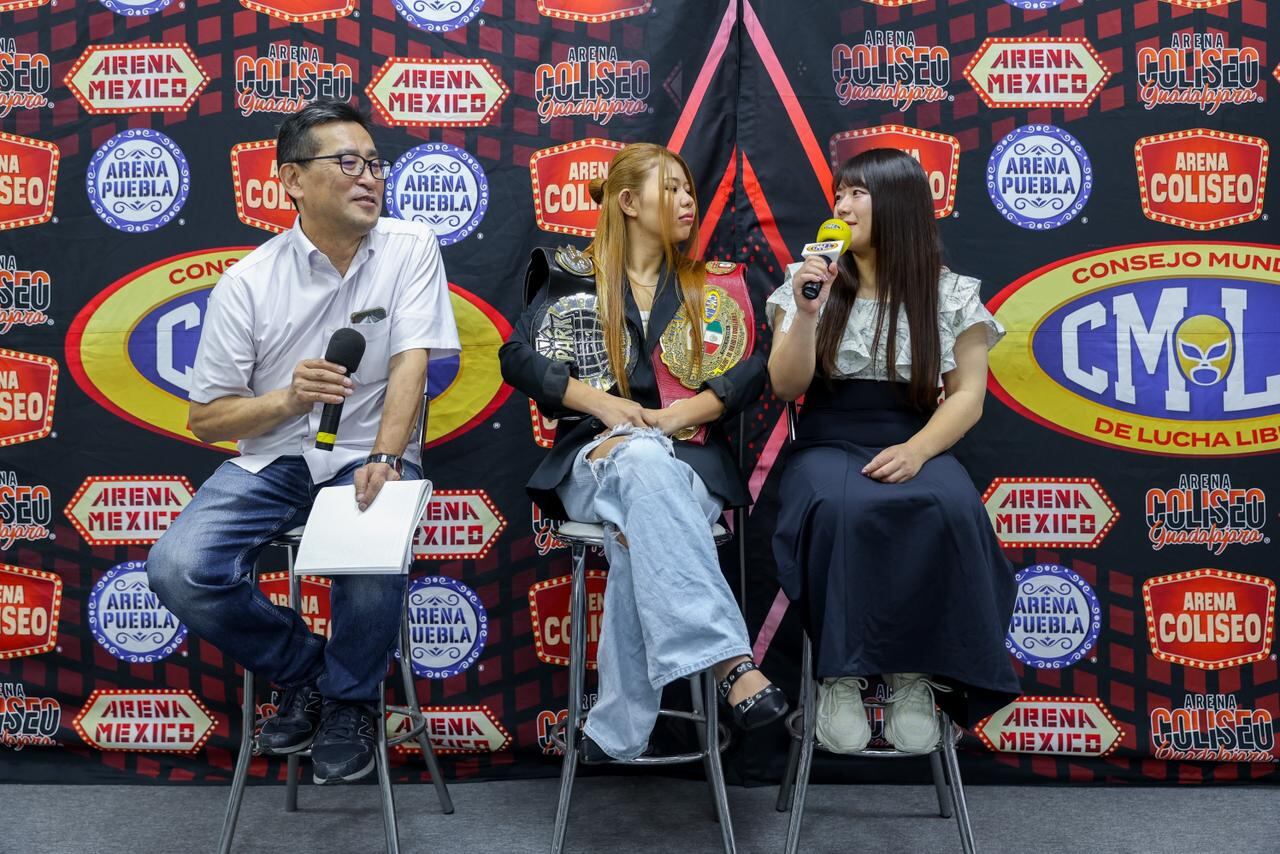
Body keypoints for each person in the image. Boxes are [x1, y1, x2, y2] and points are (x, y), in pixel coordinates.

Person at [147, 99, 460, 784]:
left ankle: (351, 704)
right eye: (346, 162)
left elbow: (413, 362)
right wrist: (289, 399)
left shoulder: (410, 246)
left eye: (375, 163)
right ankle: (310, 670)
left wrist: (385, 454)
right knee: (178, 567)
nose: (369, 177)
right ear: (291, 179)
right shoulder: (248, 283)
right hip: (278, 459)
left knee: (370, 534)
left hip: (369, 454)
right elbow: (207, 420)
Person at [499, 142, 787, 762]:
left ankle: (616, 728)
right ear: (628, 202)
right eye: (673, 189)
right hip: (598, 456)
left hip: (688, 461)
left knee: (645, 511)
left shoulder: (711, 285)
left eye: (690, 190)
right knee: (639, 463)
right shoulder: (573, 274)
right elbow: (515, 358)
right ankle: (732, 663)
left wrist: (687, 412)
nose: (689, 200)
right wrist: (603, 407)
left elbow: (756, 369)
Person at [766, 148, 1019, 754]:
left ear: (898, 204)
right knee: (839, 507)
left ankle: (917, 677)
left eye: (857, 193)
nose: (842, 205)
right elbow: (785, 386)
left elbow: (968, 398)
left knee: (952, 509)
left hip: (915, 438)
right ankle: (841, 679)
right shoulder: (809, 280)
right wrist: (805, 313)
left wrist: (917, 450)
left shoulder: (950, 293)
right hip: (827, 439)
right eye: (839, 193)